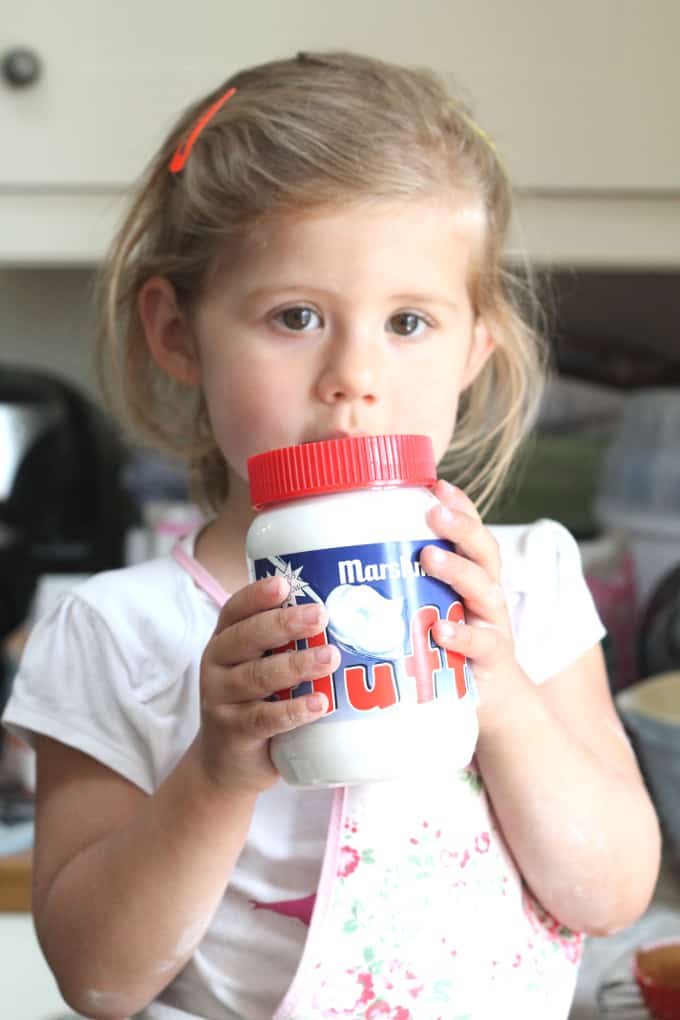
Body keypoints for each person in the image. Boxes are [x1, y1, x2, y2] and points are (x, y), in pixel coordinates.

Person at [2, 51, 660, 1020]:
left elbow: (607, 893)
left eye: (407, 321)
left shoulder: (524, 589)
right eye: (296, 315)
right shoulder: (113, 634)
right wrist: (218, 772)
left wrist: (505, 697)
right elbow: (97, 974)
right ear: (177, 333)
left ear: (473, 348)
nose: (353, 374)